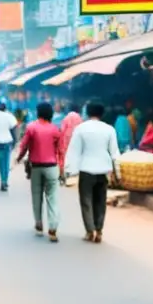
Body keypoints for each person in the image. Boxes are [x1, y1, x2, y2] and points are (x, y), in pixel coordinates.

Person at [65, 102, 120, 243]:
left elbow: (74, 151)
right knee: (100, 202)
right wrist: (117, 173)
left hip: (86, 170)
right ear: (102, 113)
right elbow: (115, 153)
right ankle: (99, 230)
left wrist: (69, 171)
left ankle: (90, 231)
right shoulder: (109, 129)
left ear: (88, 112)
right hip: (103, 170)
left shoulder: (81, 129)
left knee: (86, 201)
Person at [16, 102, 62, 242]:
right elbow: (60, 150)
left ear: (38, 113)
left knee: (37, 197)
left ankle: (39, 224)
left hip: (36, 167)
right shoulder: (55, 129)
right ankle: (53, 228)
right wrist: (61, 166)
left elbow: (24, 146)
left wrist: (19, 158)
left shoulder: (31, 128)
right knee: (52, 197)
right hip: (52, 167)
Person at [57, 104, 83, 180]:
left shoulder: (66, 117)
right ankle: (74, 173)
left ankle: (63, 173)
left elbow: (62, 129)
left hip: (66, 139)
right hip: (75, 139)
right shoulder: (79, 118)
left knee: (64, 156)